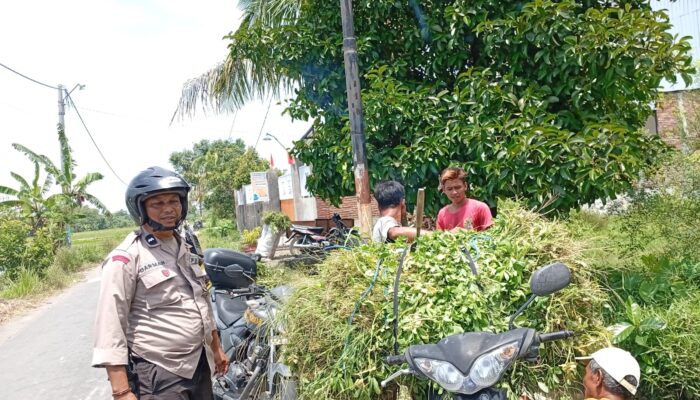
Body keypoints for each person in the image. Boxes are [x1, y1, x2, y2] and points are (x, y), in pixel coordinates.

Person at [92, 166, 228, 400]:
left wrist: (216, 348)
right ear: (140, 208)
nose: (168, 209)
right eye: (157, 203)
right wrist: (121, 391)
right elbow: (110, 325)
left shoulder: (186, 246)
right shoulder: (126, 258)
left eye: (173, 201)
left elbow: (201, 300)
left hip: (199, 362)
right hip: (159, 371)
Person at [435, 167, 492, 231]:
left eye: (458, 187)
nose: (454, 192)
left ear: (465, 186)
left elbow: (490, 236)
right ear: (444, 190)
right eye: (449, 189)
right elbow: (439, 238)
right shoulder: (442, 214)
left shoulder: (481, 208)